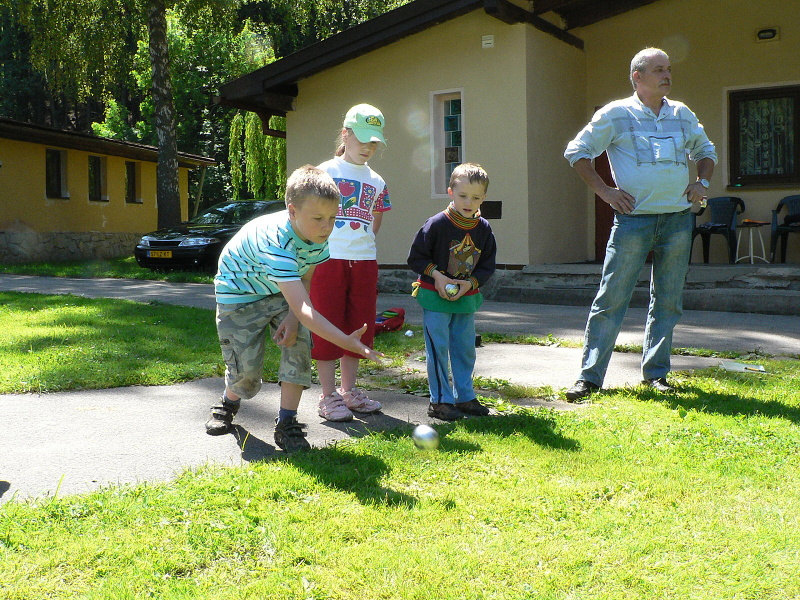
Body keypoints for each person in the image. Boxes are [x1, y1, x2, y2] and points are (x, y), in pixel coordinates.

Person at [562, 47, 717, 401]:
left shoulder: (681, 113)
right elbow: (577, 152)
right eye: (659, 69)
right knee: (611, 299)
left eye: (669, 69)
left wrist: (702, 182)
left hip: (677, 221)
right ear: (638, 76)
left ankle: (656, 375)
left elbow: (706, 151)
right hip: (633, 222)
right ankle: (589, 378)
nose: (667, 75)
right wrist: (605, 191)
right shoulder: (616, 114)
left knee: (668, 301)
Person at [205, 165, 383, 451]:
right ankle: (229, 402)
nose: (327, 226)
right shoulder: (277, 241)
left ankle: (287, 422)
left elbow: (306, 277)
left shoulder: (318, 237)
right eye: (318, 218)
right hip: (239, 295)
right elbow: (305, 310)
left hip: (280, 288)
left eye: (332, 217)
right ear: (292, 211)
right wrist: (346, 341)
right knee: (246, 373)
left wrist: (291, 317)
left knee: (298, 343)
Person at [309, 104, 391, 422]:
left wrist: (363, 243)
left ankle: (349, 391)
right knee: (327, 322)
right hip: (328, 259)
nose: (368, 147)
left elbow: (376, 217)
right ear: (346, 134)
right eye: (362, 139)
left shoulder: (377, 180)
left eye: (374, 142)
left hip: (364, 261)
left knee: (359, 324)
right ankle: (328, 395)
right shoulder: (325, 172)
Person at [407, 162, 497, 420]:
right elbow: (416, 258)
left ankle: (465, 396)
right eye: (463, 195)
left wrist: (470, 283)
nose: (469, 202)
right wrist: (437, 276)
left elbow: (487, 265)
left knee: (465, 348)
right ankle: (439, 401)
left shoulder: (483, 229)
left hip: (465, 299)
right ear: (450, 192)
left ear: (484, 198)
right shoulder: (436, 224)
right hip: (434, 298)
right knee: (438, 349)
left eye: (476, 198)